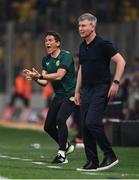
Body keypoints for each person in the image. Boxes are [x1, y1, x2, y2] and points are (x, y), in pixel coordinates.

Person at [74, 13, 126, 171]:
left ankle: (110, 155)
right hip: (86, 90)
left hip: (100, 88)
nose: (80, 29)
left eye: (83, 25)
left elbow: (121, 61)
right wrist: (77, 91)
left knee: (91, 122)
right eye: (79, 26)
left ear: (92, 26)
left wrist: (115, 82)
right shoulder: (83, 46)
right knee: (84, 126)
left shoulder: (103, 44)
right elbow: (81, 69)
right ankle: (92, 162)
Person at [23, 31, 76, 164]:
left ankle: (62, 154)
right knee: (48, 126)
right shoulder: (45, 60)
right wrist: (35, 78)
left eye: (51, 40)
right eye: (46, 40)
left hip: (71, 94)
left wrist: (40, 76)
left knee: (60, 119)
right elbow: (44, 82)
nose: (47, 42)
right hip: (58, 95)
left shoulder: (66, 56)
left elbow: (59, 75)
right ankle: (67, 146)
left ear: (58, 43)